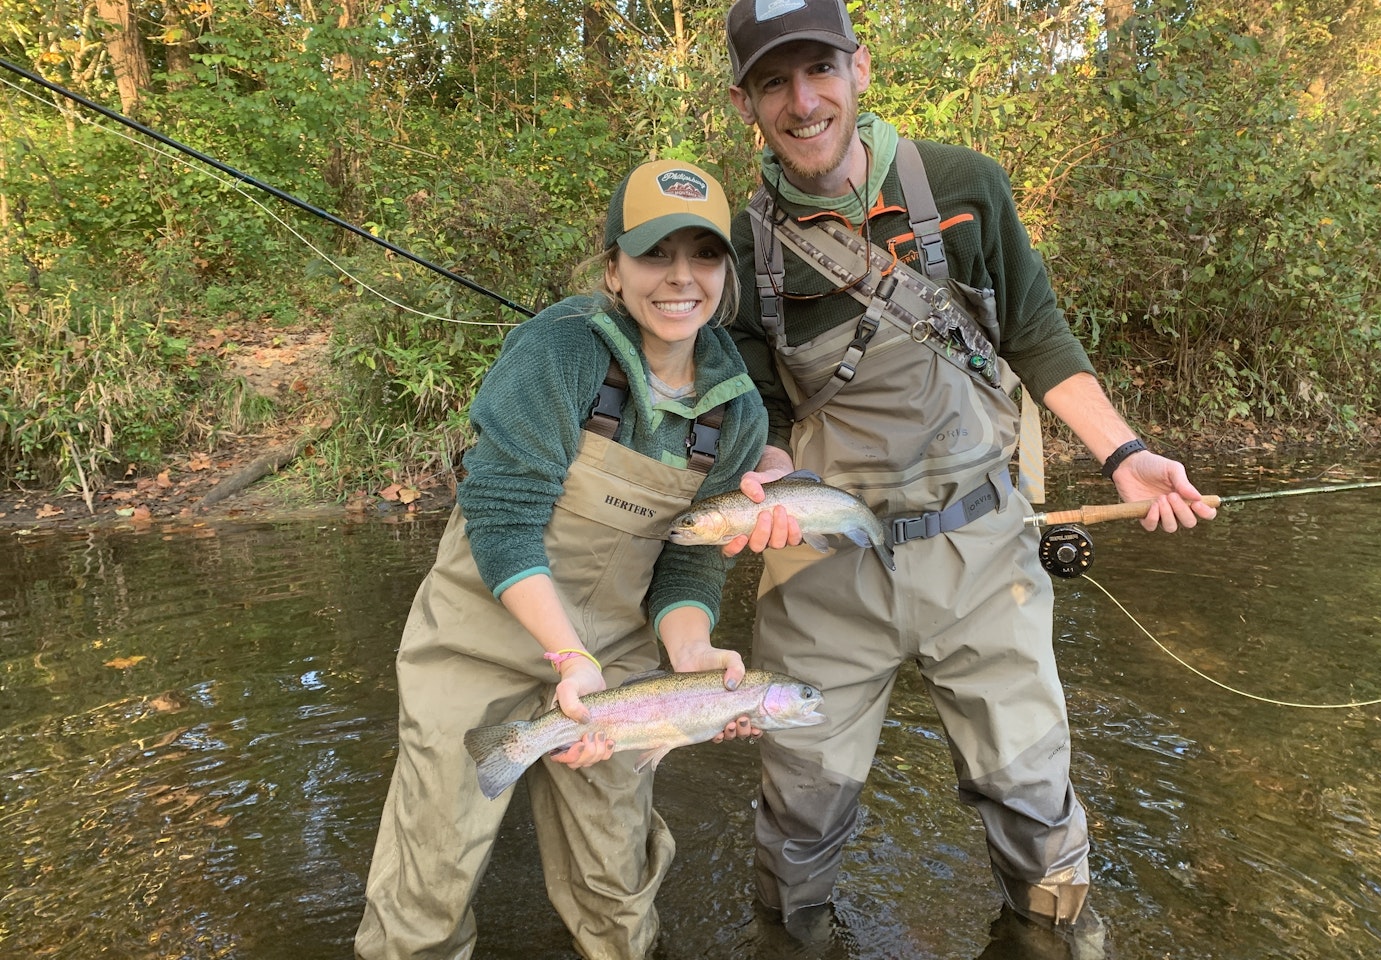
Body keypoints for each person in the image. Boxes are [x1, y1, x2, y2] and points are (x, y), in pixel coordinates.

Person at [716, 0, 1218, 950]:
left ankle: (1052, 936)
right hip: (824, 569)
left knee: (1037, 812)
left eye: (819, 69)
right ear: (747, 101)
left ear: (860, 70)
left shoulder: (964, 186)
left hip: (986, 550)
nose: (803, 100)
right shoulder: (739, 250)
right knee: (799, 824)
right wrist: (770, 477)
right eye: (775, 81)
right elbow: (763, 409)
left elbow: (1037, 338)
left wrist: (1124, 455)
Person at [353, 158, 769, 960]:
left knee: (616, 885)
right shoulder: (559, 354)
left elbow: (689, 563)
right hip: (476, 639)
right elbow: (503, 519)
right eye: (656, 254)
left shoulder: (738, 409)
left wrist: (689, 655)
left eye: (704, 255)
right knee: (427, 884)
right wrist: (565, 656)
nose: (681, 279)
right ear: (613, 268)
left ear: (728, 271)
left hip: (613, 658)